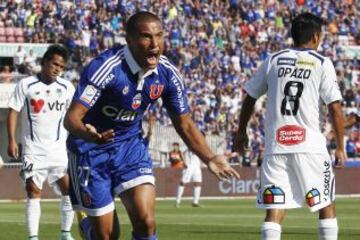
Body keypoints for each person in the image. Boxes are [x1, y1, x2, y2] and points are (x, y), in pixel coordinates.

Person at [64, 11, 239, 240]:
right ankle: (88, 226)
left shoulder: (167, 73)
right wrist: (86, 133)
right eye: (146, 37)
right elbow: (71, 119)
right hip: (90, 151)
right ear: (129, 40)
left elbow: (184, 123)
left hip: (130, 147)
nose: (155, 44)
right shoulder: (106, 67)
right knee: (106, 236)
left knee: (146, 222)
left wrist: (210, 157)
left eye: (159, 36)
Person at [233, 13, 345, 240]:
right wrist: (340, 146)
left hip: (277, 147)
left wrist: (241, 131)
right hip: (311, 147)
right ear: (316, 36)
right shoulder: (322, 63)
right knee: (325, 205)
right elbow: (334, 108)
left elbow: (250, 97)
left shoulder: (273, 60)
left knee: (274, 211)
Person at [7, 44, 75, 240]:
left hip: (59, 150)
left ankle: (65, 233)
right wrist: (12, 140)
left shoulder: (67, 87)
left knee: (68, 190)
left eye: (61, 67)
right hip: (33, 150)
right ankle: (33, 237)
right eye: (54, 64)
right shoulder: (26, 85)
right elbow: (13, 112)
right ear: (44, 62)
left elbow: (74, 115)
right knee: (33, 191)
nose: (57, 69)